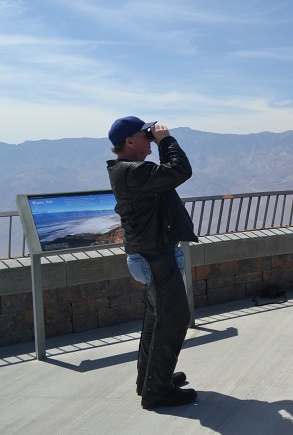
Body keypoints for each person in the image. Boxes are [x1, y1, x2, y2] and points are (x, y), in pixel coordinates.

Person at [106, 116, 199, 409]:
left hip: (152, 254)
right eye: (145, 135)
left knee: (157, 319)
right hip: (154, 257)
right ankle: (157, 391)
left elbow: (169, 174)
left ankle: (151, 379)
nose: (150, 139)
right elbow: (180, 170)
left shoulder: (131, 171)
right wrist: (166, 140)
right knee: (172, 319)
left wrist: (159, 143)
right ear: (129, 142)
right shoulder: (133, 172)